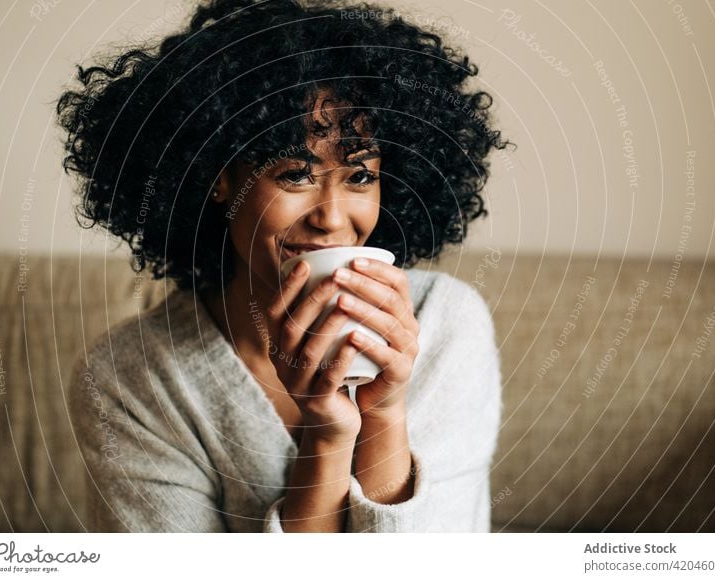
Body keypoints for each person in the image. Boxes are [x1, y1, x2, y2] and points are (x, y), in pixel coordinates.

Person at [60, 0, 507, 532]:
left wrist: (384, 414)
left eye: (360, 177)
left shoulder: (444, 322)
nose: (333, 218)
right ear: (218, 176)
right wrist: (328, 434)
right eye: (297, 174)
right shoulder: (131, 381)